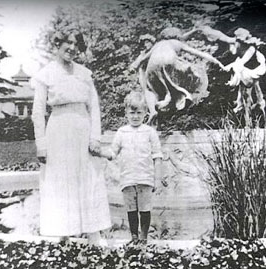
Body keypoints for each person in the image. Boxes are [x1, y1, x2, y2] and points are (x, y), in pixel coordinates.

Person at [31, 30, 111, 244]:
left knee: (88, 178)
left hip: (83, 129)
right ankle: (63, 231)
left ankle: (94, 233)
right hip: (58, 131)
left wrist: (95, 137)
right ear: (57, 44)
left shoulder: (85, 73)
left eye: (77, 44)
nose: (73, 48)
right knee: (60, 180)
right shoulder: (45, 74)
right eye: (68, 43)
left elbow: (94, 107)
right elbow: (38, 111)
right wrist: (41, 144)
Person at [95, 91, 163, 245]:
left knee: (144, 208)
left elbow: (157, 156)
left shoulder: (150, 132)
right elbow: (113, 152)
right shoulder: (121, 132)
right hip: (128, 178)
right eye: (132, 112)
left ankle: (143, 238)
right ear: (126, 112)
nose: (135, 116)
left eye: (139, 112)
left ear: (145, 113)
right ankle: (133, 237)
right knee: (131, 209)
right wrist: (99, 152)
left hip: (145, 178)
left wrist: (157, 179)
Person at [130, 27, 227, 112]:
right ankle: (185, 96)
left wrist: (134, 65)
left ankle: (165, 102)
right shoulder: (176, 43)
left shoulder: (158, 44)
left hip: (153, 65)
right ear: (176, 36)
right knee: (187, 72)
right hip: (169, 61)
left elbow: (143, 59)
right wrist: (218, 62)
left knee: (163, 83)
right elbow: (198, 53)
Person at [222, 28, 266, 123]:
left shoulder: (251, 49)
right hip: (246, 74)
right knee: (244, 97)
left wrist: (230, 68)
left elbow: (241, 63)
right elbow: (238, 62)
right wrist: (226, 67)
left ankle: (255, 120)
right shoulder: (241, 53)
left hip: (254, 72)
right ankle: (247, 121)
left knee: (253, 96)